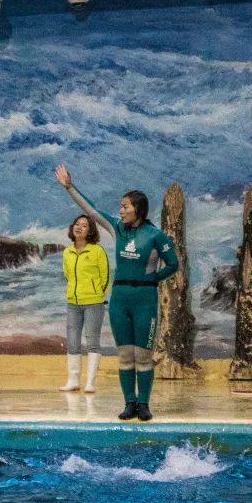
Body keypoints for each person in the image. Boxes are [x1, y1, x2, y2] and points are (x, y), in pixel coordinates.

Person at [55, 165, 178, 421]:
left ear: (138, 209)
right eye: (121, 207)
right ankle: (129, 403)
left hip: (145, 299)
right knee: (124, 356)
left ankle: (143, 404)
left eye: (125, 207)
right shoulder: (118, 229)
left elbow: (173, 264)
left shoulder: (155, 235)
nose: (120, 210)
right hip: (120, 299)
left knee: (143, 357)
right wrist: (69, 187)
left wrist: (153, 278)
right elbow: (91, 210)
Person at [60, 214, 109, 393]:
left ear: (90, 231)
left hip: (93, 303)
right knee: (73, 342)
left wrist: (97, 295)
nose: (79, 227)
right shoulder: (67, 252)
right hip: (73, 303)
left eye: (84, 226)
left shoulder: (97, 251)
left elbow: (105, 277)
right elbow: (67, 274)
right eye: (77, 224)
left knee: (92, 342)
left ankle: (90, 382)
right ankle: (73, 380)